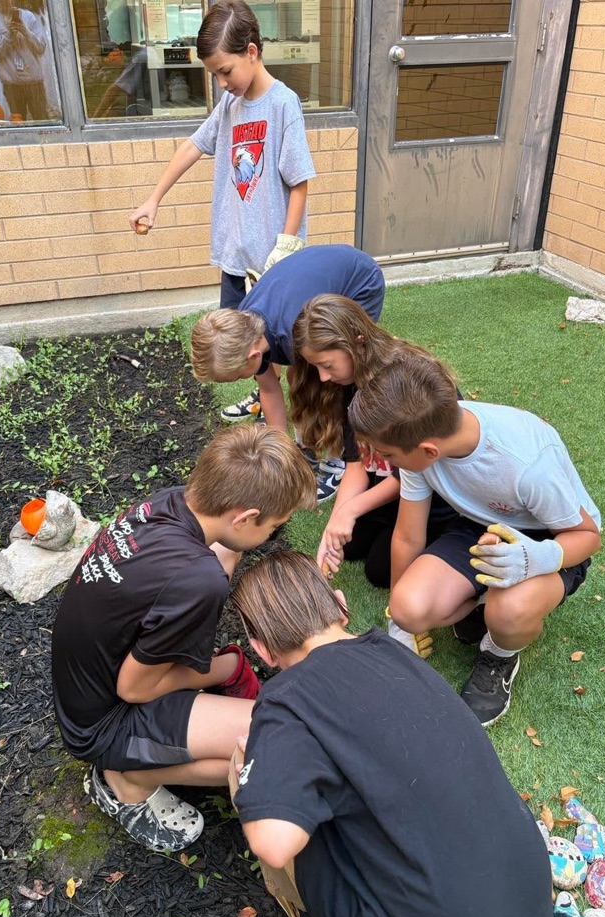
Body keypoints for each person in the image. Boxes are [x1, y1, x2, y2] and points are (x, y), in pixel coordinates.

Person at [230, 552, 553, 917]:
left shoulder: (285, 697)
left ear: (261, 649)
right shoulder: (392, 652)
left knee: (246, 770)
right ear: (340, 605)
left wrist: (259, 767)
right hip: (530, 904)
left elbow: (275, 843)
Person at [51, 424, 316, 852]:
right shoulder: (196, 581)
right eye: (274, 526)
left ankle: (141, 760)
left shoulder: (168, 503)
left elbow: (218, 555)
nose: (271, 536)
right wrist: (226, 666)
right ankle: (126, 780)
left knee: (225, 555)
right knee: (271, 739)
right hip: (103, 723)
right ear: (245, 517)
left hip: (79, 688)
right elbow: (134, 688)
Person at [347, 352, 602, 727]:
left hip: (553, 540)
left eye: (386, 455)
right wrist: (400, 625)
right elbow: (407, 534)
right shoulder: (420, 441)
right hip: (479, 527)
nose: (382, 463)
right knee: (409, 607)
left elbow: (588, 537)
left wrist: (535, 559)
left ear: (428, 451)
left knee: (509, 612)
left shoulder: (526, 465)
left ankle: (499, 654)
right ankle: (482, 600)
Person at [129, 0, 314, 309]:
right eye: (214, 75)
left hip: (273, 265)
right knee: (234, 350)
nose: (222, 83)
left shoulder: (284, 105)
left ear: (251, 52)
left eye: (225, 71)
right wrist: (153, 199)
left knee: (274, 347)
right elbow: (192, 146)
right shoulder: (230, 106)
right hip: (235, 261)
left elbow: (299, 182)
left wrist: (286, 248)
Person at [290, 294, 458, 607]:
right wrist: (336, 522)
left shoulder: (405, 383)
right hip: (385, 490)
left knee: (379, 571)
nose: (323, 377)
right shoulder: (348, 381)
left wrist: (353, 510)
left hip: (422, 495)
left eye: (327, 365)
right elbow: (355, 465)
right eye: (316, 368)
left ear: (358, 343)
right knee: (350, 546)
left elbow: (412, 471)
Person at [191, 245, 386, 502]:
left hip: (358, 281)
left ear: (253, 355)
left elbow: (325, 379)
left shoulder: (289, 332)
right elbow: (269, 389)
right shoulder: (247, 327)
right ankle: (303, 443)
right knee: (300, 375)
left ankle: (338, 459)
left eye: (238, 376)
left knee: (333, 379)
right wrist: (280, 452)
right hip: (314, 280)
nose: (242, 379)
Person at [0, 0, 49, 120]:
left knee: (42, 120)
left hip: (34, 81)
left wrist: (26, 32)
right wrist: (8, 35)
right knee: (18, 123)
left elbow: (41, 48)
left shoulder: (29, 16)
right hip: (12, 84)